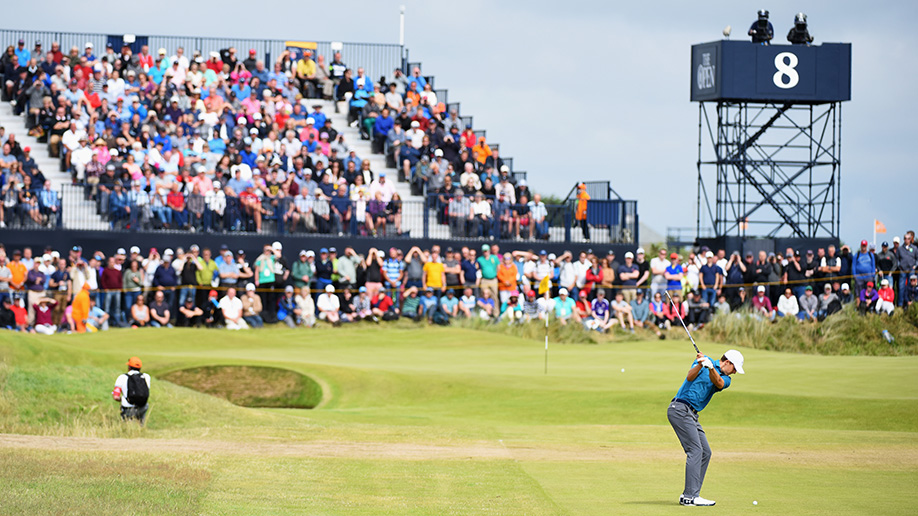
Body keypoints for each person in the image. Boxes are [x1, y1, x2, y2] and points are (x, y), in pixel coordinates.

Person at [668, 349, 745, 507]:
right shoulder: (704, 360)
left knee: (706, 452)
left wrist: (710, 368)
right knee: (695, 450)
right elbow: (689, 376)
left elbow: (718, 383)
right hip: (680, 408)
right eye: (735, 368)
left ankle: (692, 493)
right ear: (728, 362)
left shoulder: (726, 378)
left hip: (692, 415)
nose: (735, 372)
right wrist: (700, 364)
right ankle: (689, 497)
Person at [112, 356, 151, 425]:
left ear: (129, 367)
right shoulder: (146, 377)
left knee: (127, 426)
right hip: (143, 407)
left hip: (128, 408)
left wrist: (123, 399)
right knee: (140, 425)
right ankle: (141, 430)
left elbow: (116, 397)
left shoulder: (122, 377)